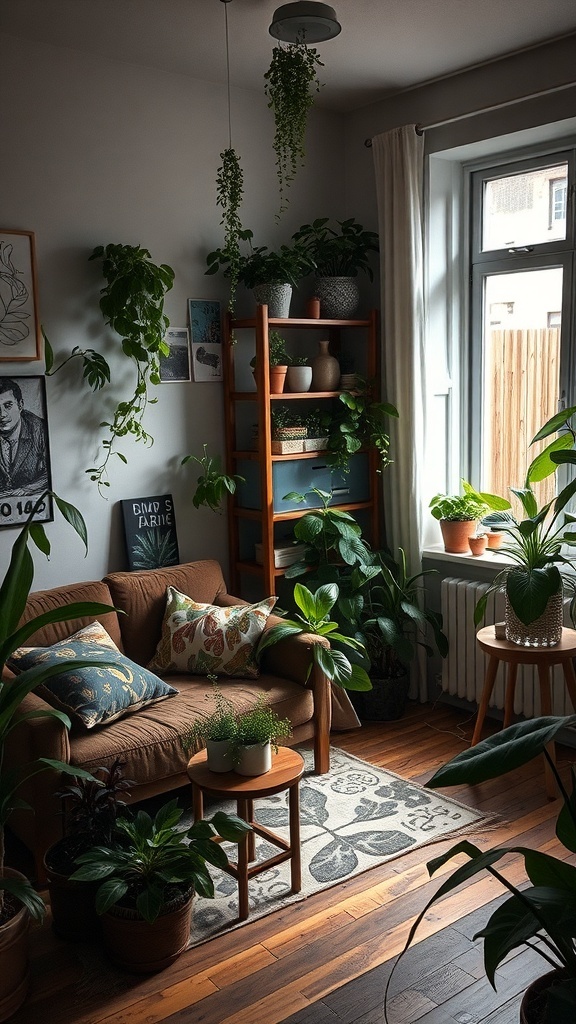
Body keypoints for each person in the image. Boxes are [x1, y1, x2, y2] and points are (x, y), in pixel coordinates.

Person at [0, 378, 49, 496]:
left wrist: (24, 490)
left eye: (8, 405)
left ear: (20, 405)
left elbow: (52, 471)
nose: (2, 414)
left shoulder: (40, 429)